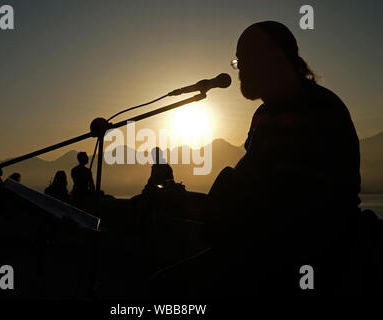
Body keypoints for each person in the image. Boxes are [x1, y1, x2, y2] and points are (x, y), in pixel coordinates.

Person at [151, 21, 365, 297]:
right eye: (237, 61)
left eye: (245, 59)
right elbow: (246, 185)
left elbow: (275, 202)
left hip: (306, 259)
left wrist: (198, 205)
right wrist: (189, 200)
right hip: (264, 248)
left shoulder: (316, 110)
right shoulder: (267, 113)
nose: (239, 69)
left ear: (275, 58)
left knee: (164, 290)